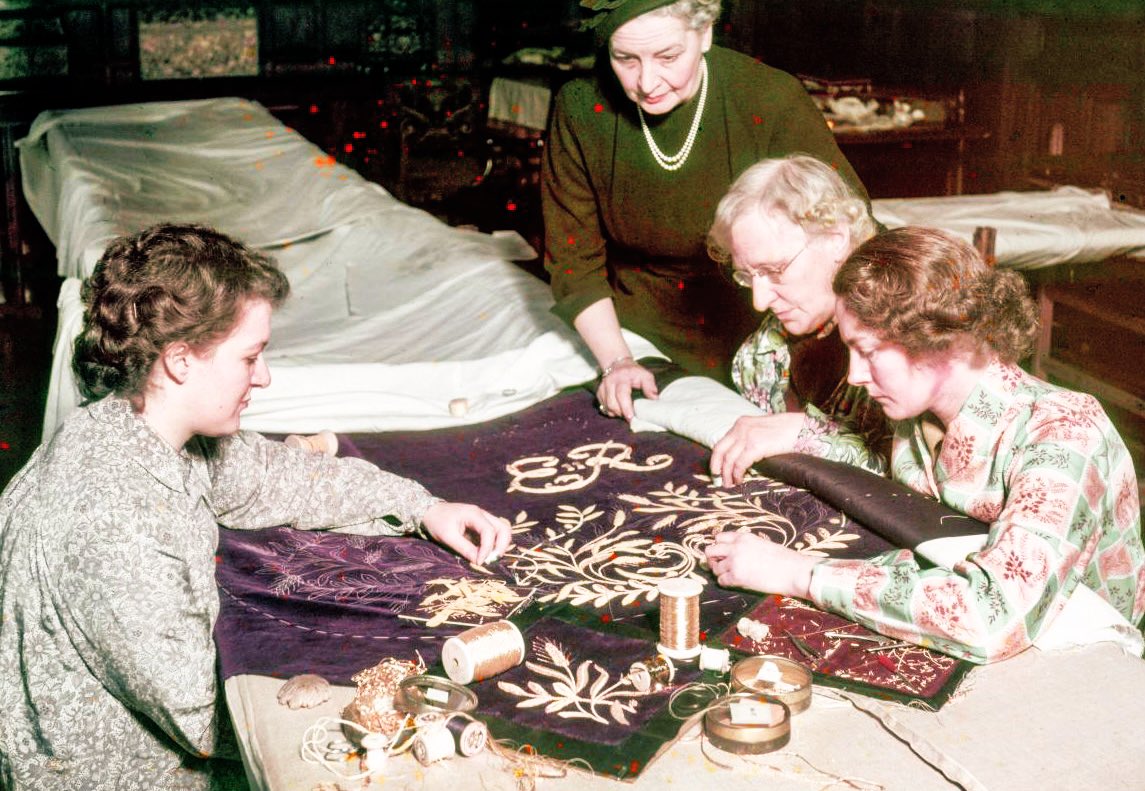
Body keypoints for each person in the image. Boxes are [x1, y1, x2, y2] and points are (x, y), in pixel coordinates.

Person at [0, 224, 512, 790]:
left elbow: (285, 476)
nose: (264, 377)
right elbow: (203, 718)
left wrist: (424, 507)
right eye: (251, 357)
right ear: (180, 360)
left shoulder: (139, 425)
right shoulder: (113, 519)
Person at [706, 226, 1144, 664]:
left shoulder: (1065, 433)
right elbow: (880, 457)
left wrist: (800, 574)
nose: (855, 375)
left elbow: (990, 616)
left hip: (1085, 663)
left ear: (942, 342)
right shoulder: (921, 411)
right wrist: (802, 431)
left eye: (868, 351)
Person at [544, 0, 867, 420]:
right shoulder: (581, 107)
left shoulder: (768, 97)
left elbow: (851, 229)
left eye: (668, 57)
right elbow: (574, 263)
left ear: (705, 34)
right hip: (639, 341)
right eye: (625, 59)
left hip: (771, 333)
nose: (646, 82)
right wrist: (617, 361)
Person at [705, 154, 887, 482]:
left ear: (835, 240)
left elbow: (920, 477)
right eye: (747, 276)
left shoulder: (900, 332)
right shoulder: (763, 349)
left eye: (775, 270)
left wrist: (806, 433)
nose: (759, 302)